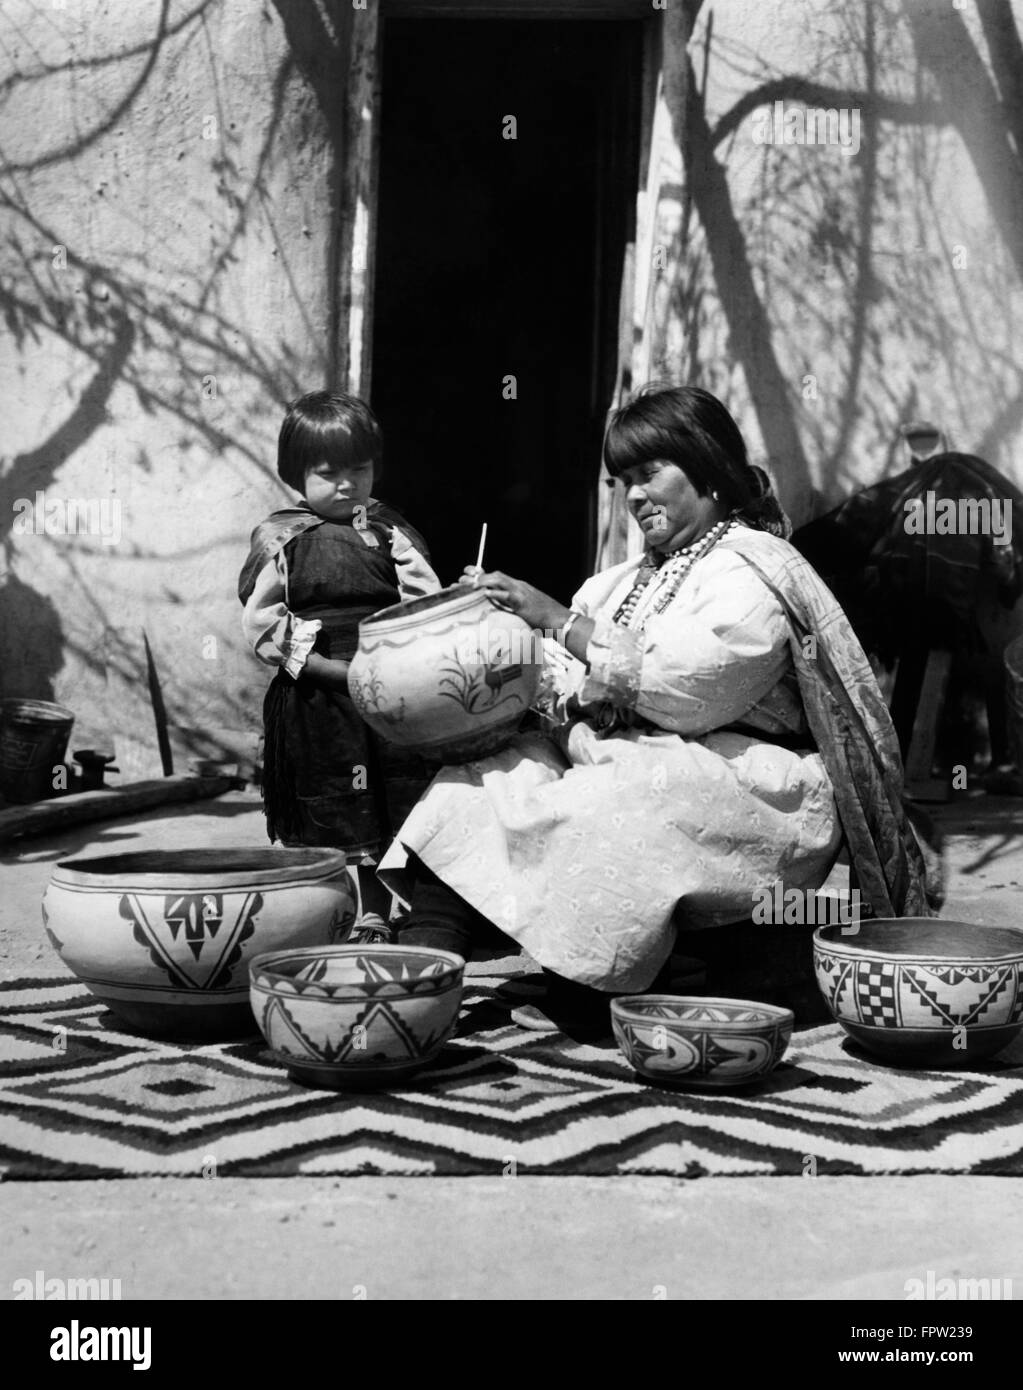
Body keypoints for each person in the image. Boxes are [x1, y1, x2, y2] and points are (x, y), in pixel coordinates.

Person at [379, 386, 930, 1028]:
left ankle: (590, 985)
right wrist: (510, 663)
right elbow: (556, 680)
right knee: (482, 775)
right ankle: (421, 975)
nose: (635, 495)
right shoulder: (615, 581)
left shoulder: (753, 568)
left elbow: (692, 688)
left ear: (709, 470)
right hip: (623, 755)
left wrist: (559, 620)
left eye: (650, 474)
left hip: (754, 784)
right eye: (624, 481)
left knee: (620, 791)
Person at [239, 390, 441, 937]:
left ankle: (387, 910)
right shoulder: (283, 539)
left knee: (390, 799)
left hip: (386, 687)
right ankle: (334, 911)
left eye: (360, 469)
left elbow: (422, 605)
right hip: (318, 693)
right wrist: (330, 671)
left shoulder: (391, 533)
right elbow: (264, 623)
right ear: (296, 475)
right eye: (329, 473)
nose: (347, 484)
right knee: (339, 804)